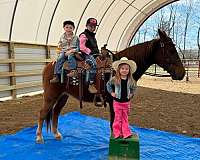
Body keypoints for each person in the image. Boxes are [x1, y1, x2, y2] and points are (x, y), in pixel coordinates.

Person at [106, 57, 137, 139]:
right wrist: (112, 92)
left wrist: (131, 93)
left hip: (126, 103)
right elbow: (108, 85)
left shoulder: (131, 80)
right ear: (119, 70)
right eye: (122, 68)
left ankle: (126, 133)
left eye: (126, 69)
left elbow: (134, 87)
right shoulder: (115, 79)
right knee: (117, 118)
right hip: (117, 103)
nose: (124, 70)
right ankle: (117, 133)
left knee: (125, 118)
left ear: (129, 70)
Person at [79, 18, 99, 93]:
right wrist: (89, 51)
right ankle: (91, 83)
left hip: (94, 54)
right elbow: (81, 47)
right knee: (94, 64)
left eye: (94, 26)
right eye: (91, 26)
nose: (92, 28)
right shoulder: (84, 35)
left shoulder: (92, 36)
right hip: (86, 54)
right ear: (86, 26)